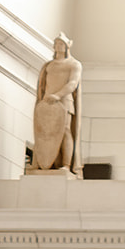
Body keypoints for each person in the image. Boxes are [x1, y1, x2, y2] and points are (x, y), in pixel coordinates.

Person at [29, 34, 82, 174]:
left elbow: (73, 83)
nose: (59, 46)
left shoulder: (74, 64)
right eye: (57, 44)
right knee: (43, 131)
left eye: (62, 44)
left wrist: (58, 95)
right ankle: (41, 162)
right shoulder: (48, 65)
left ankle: (66, 164)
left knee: (65, 131)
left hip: (64, 101)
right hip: (47, 102)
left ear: (66, 47)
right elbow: (43, 85)